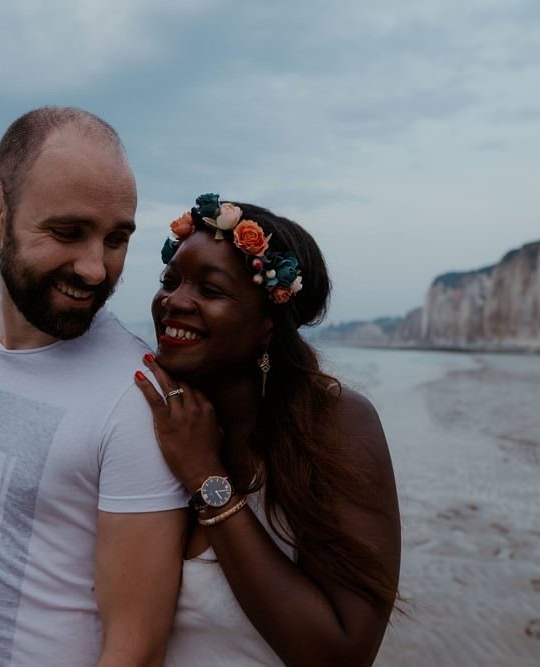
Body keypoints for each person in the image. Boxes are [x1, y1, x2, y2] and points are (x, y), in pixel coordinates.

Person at [0, 107, 188, 666]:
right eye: (68, 233)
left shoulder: (136, 395)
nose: (95, 270)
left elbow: (135, 647)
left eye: (116, 239)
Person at [134, 194, 401, 665]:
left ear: (268, 325)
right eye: (169, 281)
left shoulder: (335, 426)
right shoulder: (150, 414)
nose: (174, 302)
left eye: (210, 290)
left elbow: (342, 653)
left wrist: (204, 477)